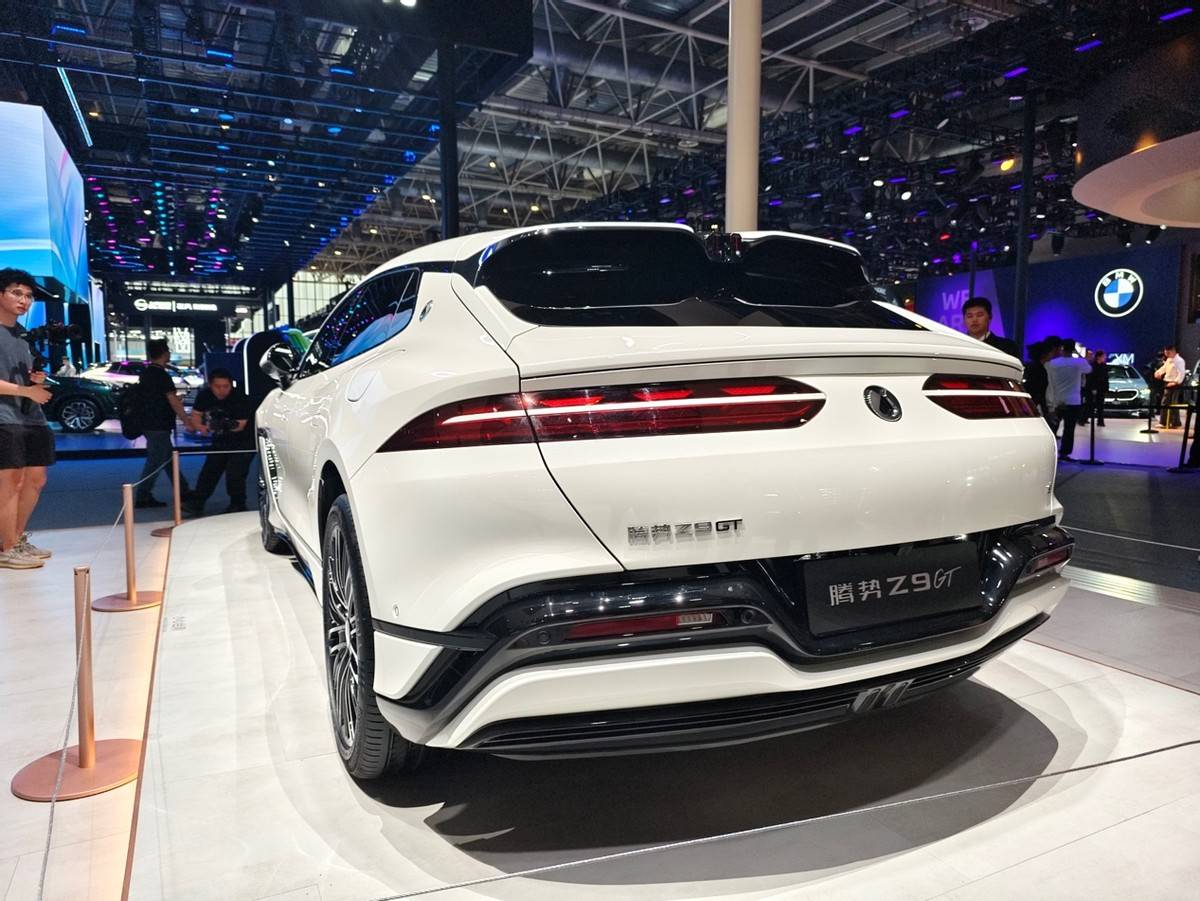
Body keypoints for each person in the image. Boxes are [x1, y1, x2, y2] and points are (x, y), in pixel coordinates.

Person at [0, 268, 55, 569]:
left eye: (29, 296)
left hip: (31, 415)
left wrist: (36, 380)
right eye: (16, 293)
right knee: (10, 482)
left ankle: (16, 539)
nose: (24, 300)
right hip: (4, 416)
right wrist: (26, 390)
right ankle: (6, 547)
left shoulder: (23, 335)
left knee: (36, 478)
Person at [183, 368, 254, 517]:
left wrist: (215, 426)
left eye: (226, 386)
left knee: (235, 473)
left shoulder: (240, 398)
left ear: (231, 385)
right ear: (211, 385)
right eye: (218, 386)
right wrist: (200, 426)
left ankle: (238, 504)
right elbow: (196, 414)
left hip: (244, 441)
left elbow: (240, 426)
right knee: (209, 470)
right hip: (220, 438)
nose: (222, 390)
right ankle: (197, 503)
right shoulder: (205, 395)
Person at [134, 339, 190, 508]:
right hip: (159, 424)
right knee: (156, 460)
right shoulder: (162, 375)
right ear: (165, 353)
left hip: (148, 422)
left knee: (167, 458)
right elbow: (172, 400)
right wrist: (186, 420)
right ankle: (143, 495)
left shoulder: (146, 373)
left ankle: (183, 490)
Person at [1045, 337, 1091, 460]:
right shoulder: (1079, 363)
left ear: (1062, 348)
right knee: (1069, 429)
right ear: (1073, 349)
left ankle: (1049, 451)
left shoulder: (1053, 363)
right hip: (1073, 400)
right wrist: (1079, 355)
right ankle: (1064, 453)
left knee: (1053, 427)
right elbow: (1089, 369)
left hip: (1057, 400)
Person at [1154, 345, 1187, 428]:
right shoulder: (1169, 360)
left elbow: (1181, 373)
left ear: (1173, 351)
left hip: (1175, 384)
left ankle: (1175, 422)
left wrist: (1175, 382)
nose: (1166, 355)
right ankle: (1163, 422)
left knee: (1173, 403)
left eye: (1168, 353)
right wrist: (1158, 372)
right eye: (1165, 353)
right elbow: (1164, 368)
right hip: (1167, 382)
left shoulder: (1179, 361)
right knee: (1165, 402)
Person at [1083, 349, 1108, 427]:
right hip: (1092, 388)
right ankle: (1083, 419)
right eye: (1103, 356)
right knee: (1089, 405)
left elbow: (1105, 377)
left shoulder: (1104, 366)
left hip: (1101, 388)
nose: (1105, 358)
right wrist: (1093, 388)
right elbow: (1090, 378)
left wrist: (1106, 387)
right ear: (1099, 357)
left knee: (1100, 406)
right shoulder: (1092, 366)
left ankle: (1100, 421)